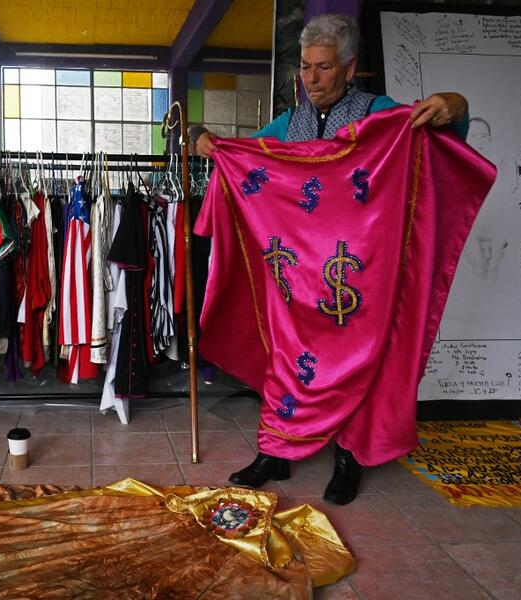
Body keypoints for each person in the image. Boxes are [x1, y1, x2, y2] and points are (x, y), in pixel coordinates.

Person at [191, 13, 470, 505]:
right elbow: (244, 156)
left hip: (354, 270)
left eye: (323, 68)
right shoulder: (290, 123)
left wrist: (454, 103)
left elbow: (443, 128)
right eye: (305, 67)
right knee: (285, 359)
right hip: (294, 274)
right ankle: (276, 452)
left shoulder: (378, 112)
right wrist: (204, 138)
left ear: (349, 68)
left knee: (357, 362)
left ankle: (350, 459)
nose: (311, 79)